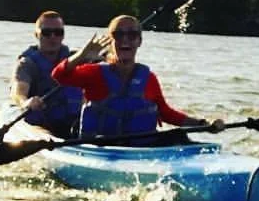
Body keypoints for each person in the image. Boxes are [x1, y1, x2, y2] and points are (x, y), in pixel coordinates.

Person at [52, 14, 223, 139]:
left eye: (132, 35)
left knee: (179, 138)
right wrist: (81, 56)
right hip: (101, 148)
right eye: (118, 35)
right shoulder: (93, 73)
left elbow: (166, 113)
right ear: (110, 42)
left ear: (139, 41)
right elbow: (59, 75)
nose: (125, 40)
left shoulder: (148, 78)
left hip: (141, 150)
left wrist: (203, 124)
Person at [10, 10, 85, 137]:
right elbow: (18, 92)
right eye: (46, 33)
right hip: (44, 126)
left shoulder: (77, 59)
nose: (53, 37)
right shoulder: (27, 64)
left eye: (58, 32)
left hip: (75, 124)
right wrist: (25, 102)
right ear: (36, 35)